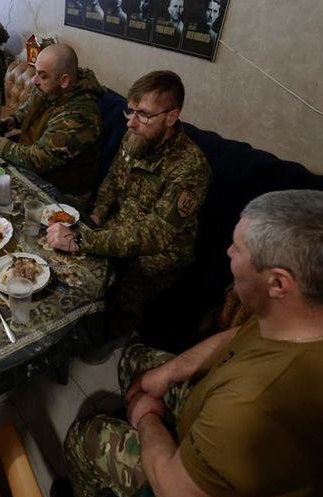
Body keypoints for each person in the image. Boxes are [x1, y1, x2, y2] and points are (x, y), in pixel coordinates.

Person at [62, 189, 323, 497]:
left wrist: (147, 420)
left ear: (278, 283)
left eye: (238, 248)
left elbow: (178, 496)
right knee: (137, 360)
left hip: (192, 491)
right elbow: (243, 335)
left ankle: (92, 491)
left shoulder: (252, 404)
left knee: (84, 437)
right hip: (248, 450)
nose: (229, 253)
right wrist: (171, 371)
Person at [46, 70, 210, 340]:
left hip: (159, 253)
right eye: (129, 111)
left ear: (171, 116)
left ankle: (111, 337)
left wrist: (82, 240)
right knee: (62, 264)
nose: (131, 123)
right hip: (120, 226)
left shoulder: (190, 167)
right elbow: (112, 181)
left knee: (121, 298)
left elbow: (155, 235)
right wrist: (95, 217)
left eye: (143, 114)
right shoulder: (135, 137)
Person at [0, 43, 102, 204]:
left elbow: (39, 159)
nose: (34, 80)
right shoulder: (49, 87)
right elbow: (28, 109)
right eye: (35, 72)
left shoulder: (79, 115)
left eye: (42, 75)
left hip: (62, 191)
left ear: (64, 81)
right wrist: (13, 121)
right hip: (35, 171)